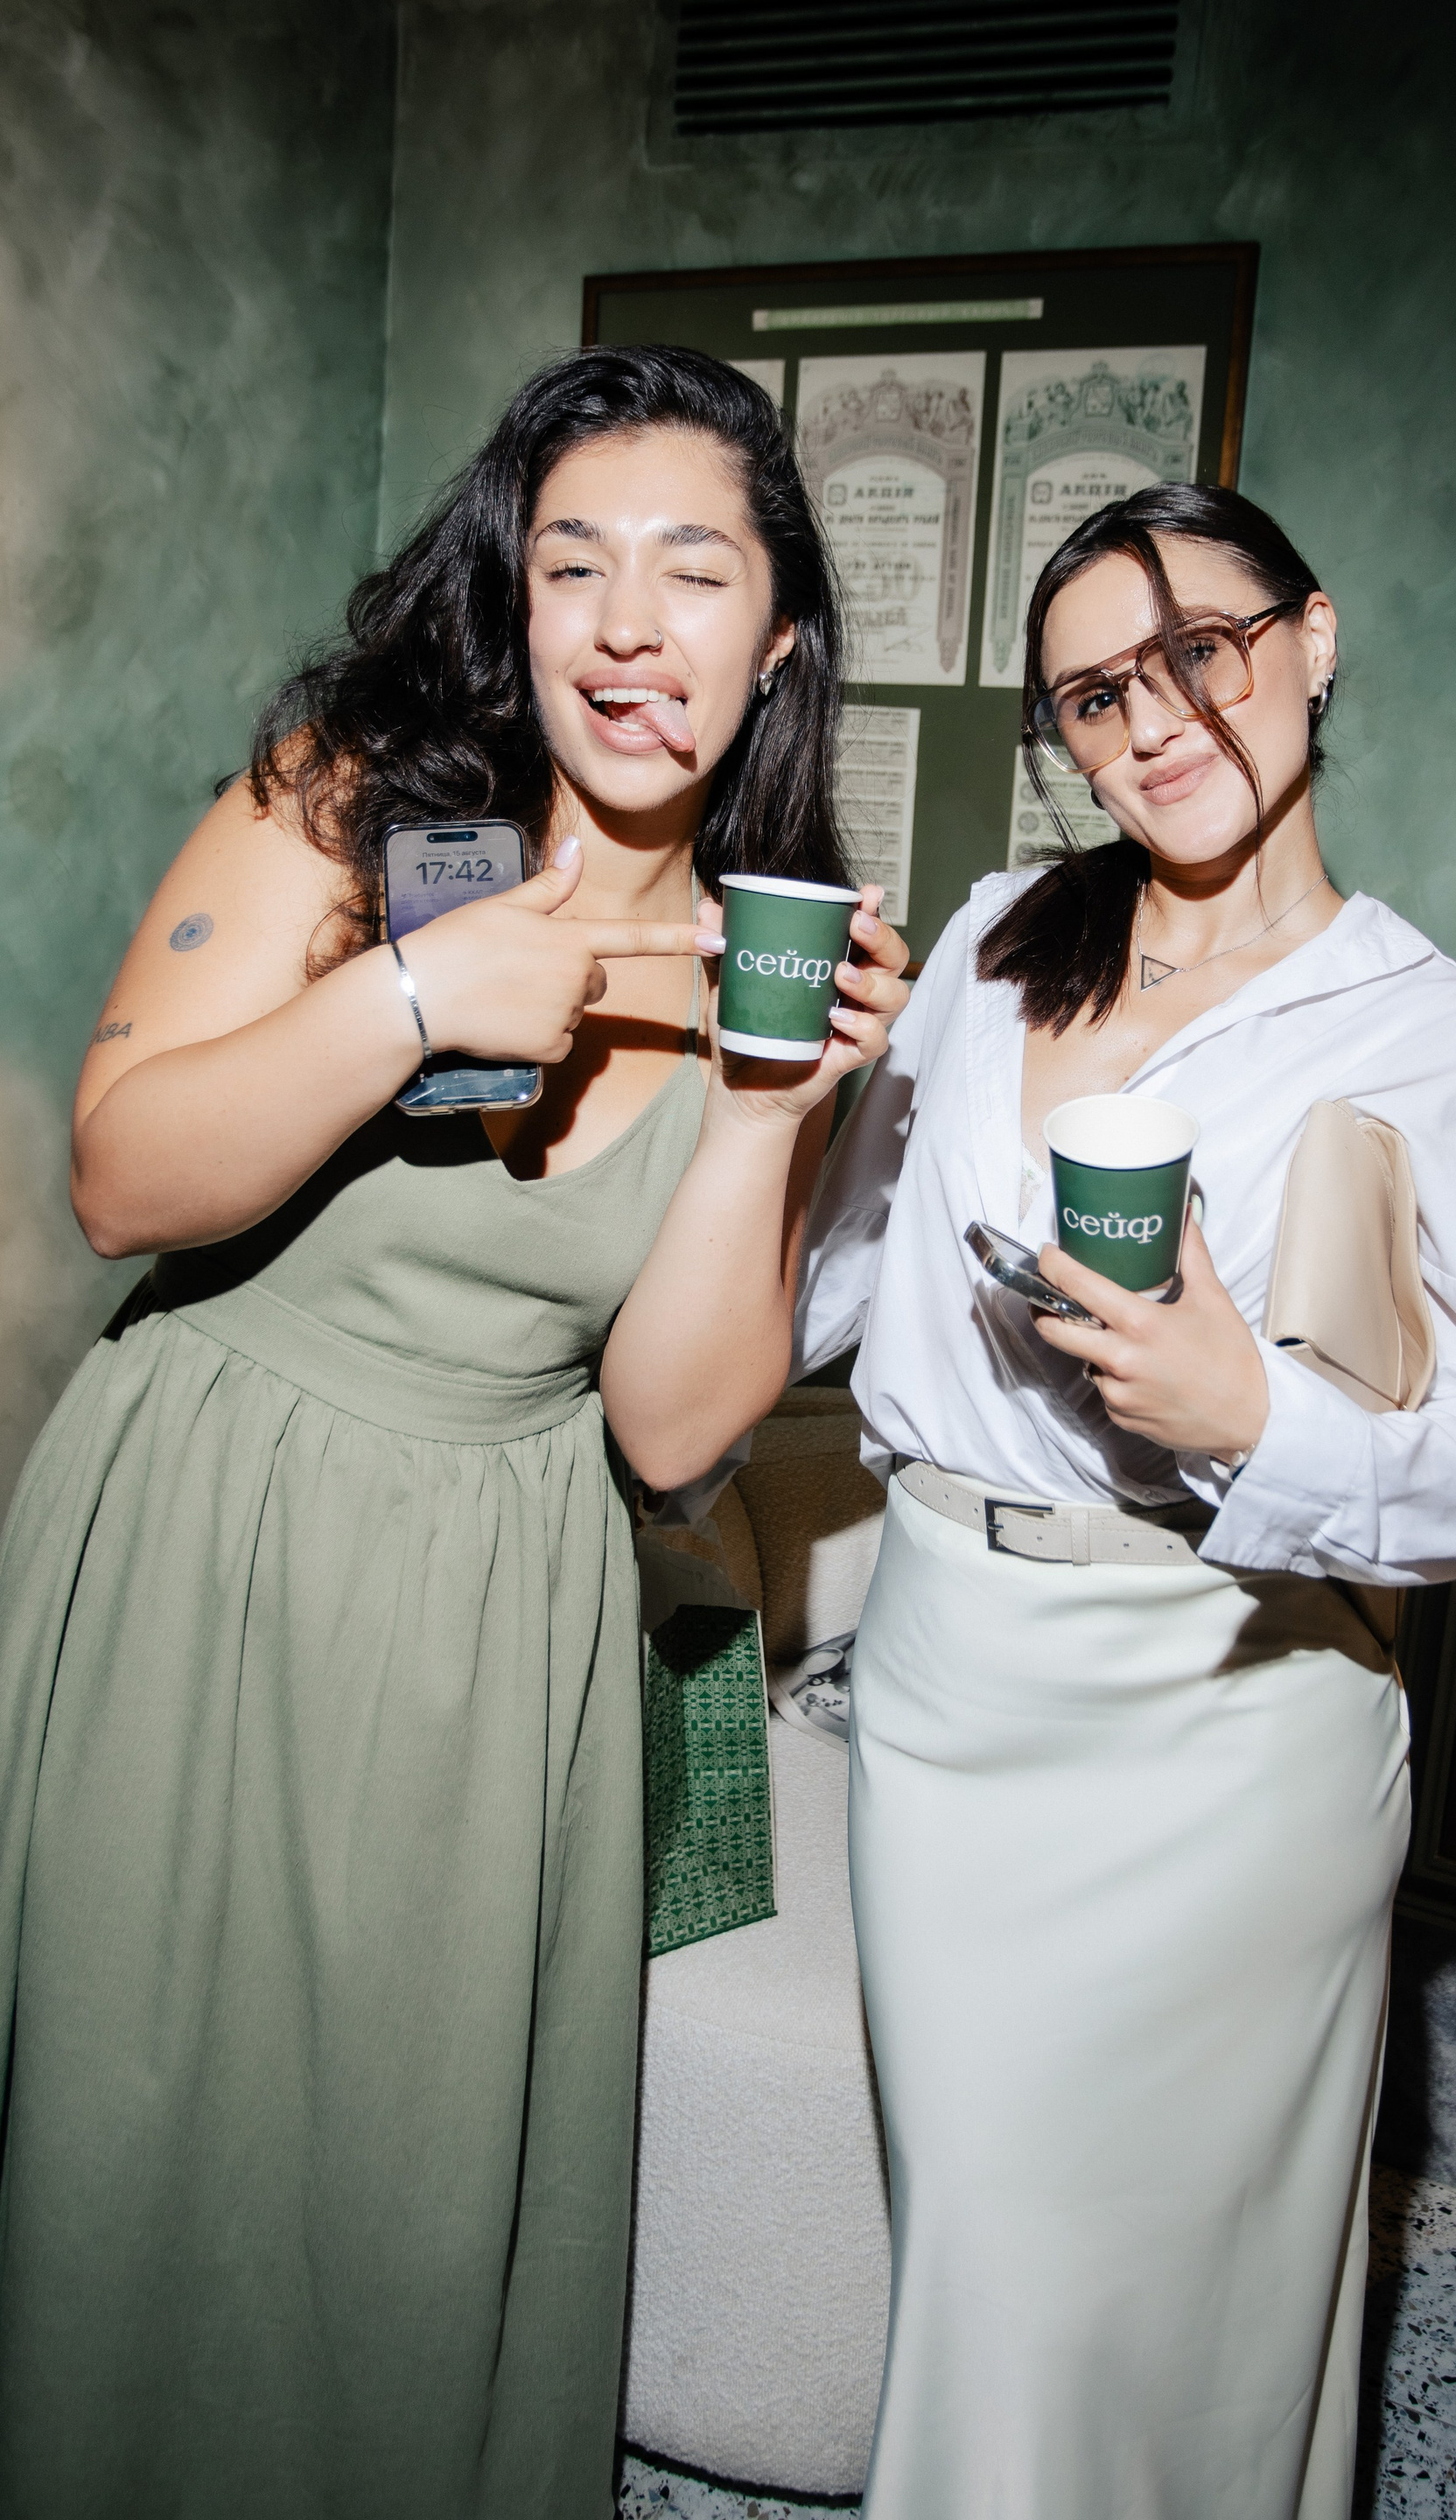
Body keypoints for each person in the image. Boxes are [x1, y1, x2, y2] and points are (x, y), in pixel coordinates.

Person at [0, 345, 907, 2519]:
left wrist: (767, 1121)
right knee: (133, 2116)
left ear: (781, 634)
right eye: (572, 563)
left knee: (408, 2178)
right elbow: (119, 1180)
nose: (625, 623)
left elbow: (670, 1431)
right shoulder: (351, 805)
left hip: (500, 1600)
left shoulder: (765, 963)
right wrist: (410, 996)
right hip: (213, 1521)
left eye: (693, 571)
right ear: (515, 599)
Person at [794, 483, 1456, 2520]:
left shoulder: (1430, 1036)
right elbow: (841, 1271)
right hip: (949, 1695)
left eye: (1197, 656)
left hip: (1227, 1723)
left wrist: (1254, 1417)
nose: (1149, 724)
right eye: (1093, 696)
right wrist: (701, 1162)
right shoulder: (998, 940)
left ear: (1312, 641)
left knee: (1165, 2302)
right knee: (987, 2272)